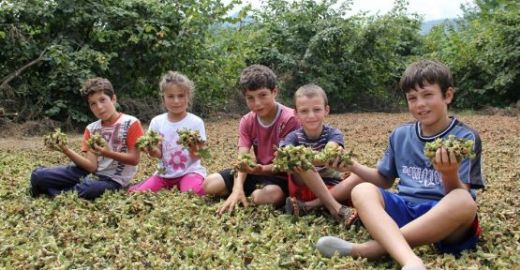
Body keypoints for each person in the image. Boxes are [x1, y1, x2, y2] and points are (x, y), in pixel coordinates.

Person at [315, 60, 485, 270]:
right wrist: (354, 166)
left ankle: (370, 249)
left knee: (464, 201)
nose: (420, 104)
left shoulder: (465, 137)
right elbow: (384, 180)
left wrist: (448, 173)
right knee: (362, 190)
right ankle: (410, 260)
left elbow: (460, 193)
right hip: (405, 208)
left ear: (447, 95)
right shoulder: (400, 135)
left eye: (428, 95)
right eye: (412, 98)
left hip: (445, 219)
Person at [203, 64, 300, 214]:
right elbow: (243, 158)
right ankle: (240, 194)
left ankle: (248, 196)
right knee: (210, 184)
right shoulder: (247, 121)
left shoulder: (290, 119)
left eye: (262, 95)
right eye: (250, 98)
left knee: (272, 195)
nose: (257, 103)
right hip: (255, 172)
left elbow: (286, 165)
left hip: (279, 177)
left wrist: (260, 169)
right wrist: (237, 187)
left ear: (274, 92)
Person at [29, 77, 144, 200]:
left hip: (113, 179)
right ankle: (62, 191)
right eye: (93, 104)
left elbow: (134, 159)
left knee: (88, 189)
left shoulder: (130, 123)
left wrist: (107, 153)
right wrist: (65, 149)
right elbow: (91, 167)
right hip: (89, 174)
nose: (99, 107)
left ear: (113, 99)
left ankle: (55, 192)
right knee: (38, 175)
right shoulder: (92, 128)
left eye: (102, 100)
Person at [279, 84, 354, 223]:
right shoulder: (292, 137)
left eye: (317, 109)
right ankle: (334, 207)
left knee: (359, 176)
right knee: (302, 163)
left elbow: (330, 150)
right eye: (304, 111)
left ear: (326, 110)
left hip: (332, 186)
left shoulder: (333, 133)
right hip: (303, 188)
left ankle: (309, 206)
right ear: (296, 114)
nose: (311, 116)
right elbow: (286, 154)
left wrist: (332, 156)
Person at [128, 71, 206, 195]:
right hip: (163, 175)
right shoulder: (157, 122)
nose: (176, 101)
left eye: (181, 96)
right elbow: (158, 154)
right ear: (163, 98)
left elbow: (199, 155)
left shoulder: (196, 122)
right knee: (138, 194)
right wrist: (151, 150)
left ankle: (194, 182)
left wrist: (193, 147)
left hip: (189, 172)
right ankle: (143, 184)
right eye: (170, 96)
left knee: (193, 192)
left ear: (188, 97)